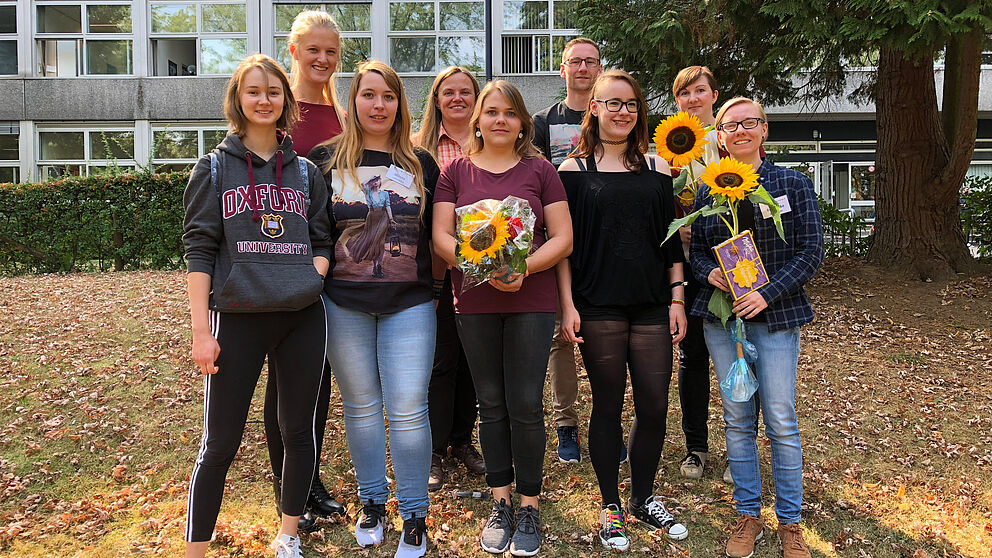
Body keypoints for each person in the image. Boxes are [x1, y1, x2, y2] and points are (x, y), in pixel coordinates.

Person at [182, 53, 330, 558]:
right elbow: (199, 248)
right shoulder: (214, 167)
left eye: (273, 92)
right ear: (238, 100)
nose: (263, 100)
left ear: (286, 100)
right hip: (237, 320)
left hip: (301, 319)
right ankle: (196, 549)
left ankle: (288, 535)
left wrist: (313, 275)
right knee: (219, 443)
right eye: (253, 91)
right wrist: (202, 331)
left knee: (298, 431)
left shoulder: (307, 172)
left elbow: (322, 237)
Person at [433, 80, 572, 557]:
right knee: (491, 404)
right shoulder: (455, 173)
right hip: (475, 302)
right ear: (477, 120)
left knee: (527, 405)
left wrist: (520, 268)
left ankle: (530, 504)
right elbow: (441, 238)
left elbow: (562, 238)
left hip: (530, 300)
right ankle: (501, 501)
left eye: (509, 114)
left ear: (521, 124)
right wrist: (485, 270)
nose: (499, 120)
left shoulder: (541, 171)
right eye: (490, 112)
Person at [308, 60, 441, 558]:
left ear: (399, 104)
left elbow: (437, 235)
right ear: (353, 101)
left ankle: (414, 514)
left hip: (410, 304)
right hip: (343, 305)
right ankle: (372, 502)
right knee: (361, 409)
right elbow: (316, 234)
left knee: (408, 410)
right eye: (368, 95)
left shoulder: (421, 164)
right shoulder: (324, 161)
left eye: (388, 96)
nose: (378, 105)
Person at [557, 69, 689, 551]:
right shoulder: (572, 173)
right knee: (608, 405)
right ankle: (610, 505)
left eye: (630, 104)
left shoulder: (659, 170)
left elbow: (672, 243)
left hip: (653, 304)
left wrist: (678, 298)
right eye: (612, 103)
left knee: (654, 405)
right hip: (598, 306)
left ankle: (643, 497)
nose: (622, 112)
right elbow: (565, 249)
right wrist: (568, 306)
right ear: (593, 108)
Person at [689, 97, 824, 558]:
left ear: (764, 130)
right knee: (737, 418)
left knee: (782, 420)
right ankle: (748, 513)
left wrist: (766, 293)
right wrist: (710, 274)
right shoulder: (710, 191)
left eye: (750, 123)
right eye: (731, 125)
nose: (741, 131)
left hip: (777, 318)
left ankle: (789, 521)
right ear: (720, 135)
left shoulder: (792, 184)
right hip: (724, 321)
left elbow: (811, 252)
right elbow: (698, 252)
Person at [263, 10, 346, 531]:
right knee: (285, 380)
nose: (322, 59)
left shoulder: (344, 112)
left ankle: (308, 477)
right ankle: (288, 484)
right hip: (280, 262)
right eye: (312, 49)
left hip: (337, 260)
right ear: (293, 51)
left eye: (331, 52)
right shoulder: (277, 110)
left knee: (318, 379)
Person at [413, 66, 486, 491]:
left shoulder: (491, 145)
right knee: (440, 363)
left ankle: (462, 440)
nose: (457, 98)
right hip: (434, 276)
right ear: (436, 100)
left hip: (483, 274)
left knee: (474, 364)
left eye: (466, 92)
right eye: (448, 92)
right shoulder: (418, 150)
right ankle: (435, 449)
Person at [532, 37, 604, 465]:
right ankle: (566, 425)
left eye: (589, 62)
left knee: (602, 335)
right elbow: (538, 180)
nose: (582, 68)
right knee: (561, 337)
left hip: (601, 241)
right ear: (563, 70)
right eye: (574, 62)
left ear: (599, 68)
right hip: (557, 242)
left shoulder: (610, 113)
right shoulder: (544, 121)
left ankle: (604, 423)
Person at [669, 65, 721, 481]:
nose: (692, 99)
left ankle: (743, 445)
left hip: (734, 262)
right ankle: (696, 447)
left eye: (699, 91)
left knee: (746, 351)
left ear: (713, 96)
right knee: (693, 354)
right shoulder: (668, 149)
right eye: (684, 94)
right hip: (686, 261)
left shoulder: (731, 140)